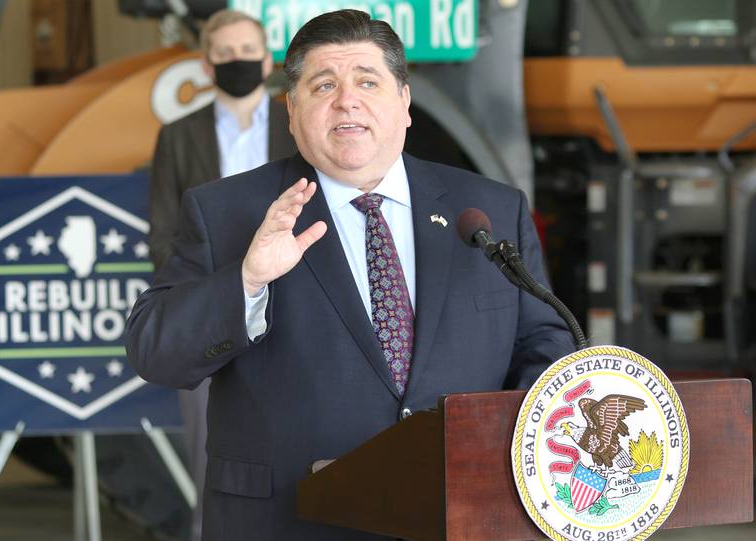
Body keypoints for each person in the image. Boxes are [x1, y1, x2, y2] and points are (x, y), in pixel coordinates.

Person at [127, 9, 574, 540]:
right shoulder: (229, 212)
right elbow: (154, 351)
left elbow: (545, 340)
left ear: (404, 103)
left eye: (368, 80)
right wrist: (246, 280)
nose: (347, 100)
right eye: (323, 85)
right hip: (289, 520)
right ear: (291, 110)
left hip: (461, 514)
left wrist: (506, 448)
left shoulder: (488, 211)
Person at [146, 9, 295, 541]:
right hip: (210, 310)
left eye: (246, 51)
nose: (238, 62)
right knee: (210, 457)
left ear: (268, 59)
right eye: (225, 54)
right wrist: (205, 295)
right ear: (207, 65)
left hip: (293, 307)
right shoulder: (179, 135)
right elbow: (162, 232)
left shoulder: (294, 124)